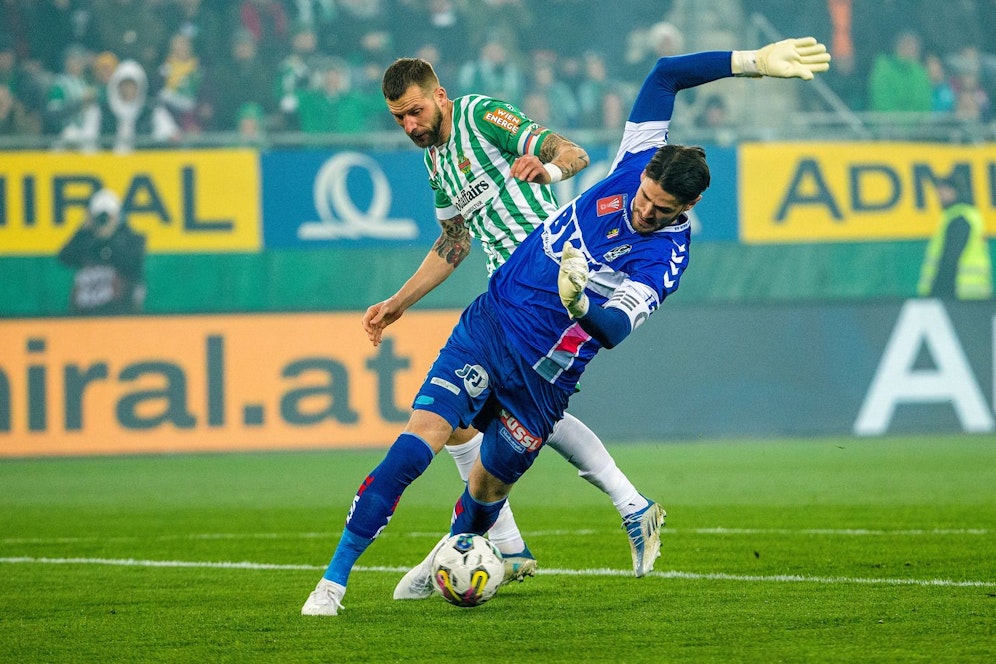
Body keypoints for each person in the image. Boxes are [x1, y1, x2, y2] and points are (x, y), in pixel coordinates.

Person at [300, 35, 830, 617]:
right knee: (425, 432)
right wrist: (752, 64)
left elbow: (611, 318)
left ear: (688, 210)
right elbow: (664, 75)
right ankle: (334, 582)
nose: (647, 211)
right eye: (648, 198)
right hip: (495, 316)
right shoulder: (619, 165)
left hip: (549, 360)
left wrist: (572, 274)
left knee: (486, 485)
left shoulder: (663, 257)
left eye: (665, 210)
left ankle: (477, 546)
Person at [361, 54, 663, 589]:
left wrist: (547, 168)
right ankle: (521, 538)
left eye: (415, 111)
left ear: (440, 95)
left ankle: (508, 538)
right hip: (507, 295)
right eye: (398, 118)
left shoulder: (481, 117)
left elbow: (570, 153)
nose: (410, 125)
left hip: (544, 286)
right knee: (479, 417)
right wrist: (399, 301)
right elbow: (455, 243)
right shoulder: (436, 161)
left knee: (485, 413)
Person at [58, 188, 147, 316]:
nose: (103, 221)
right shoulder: (86, 242)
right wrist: (83, 229)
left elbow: (132, 262)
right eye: (99, 216)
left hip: (119, 316)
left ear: (118, 216)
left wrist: (110, 237)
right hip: (85, 316)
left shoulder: (131, 241)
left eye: (108, 216)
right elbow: (65, 257)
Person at [917, 176, 992, 300]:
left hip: (959, 293)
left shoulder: (959, 218)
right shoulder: (966, 215)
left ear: (953, 191)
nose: (939, 197)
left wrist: (938, 291)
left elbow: (950, 257)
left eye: (942, 192)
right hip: (973, 293)